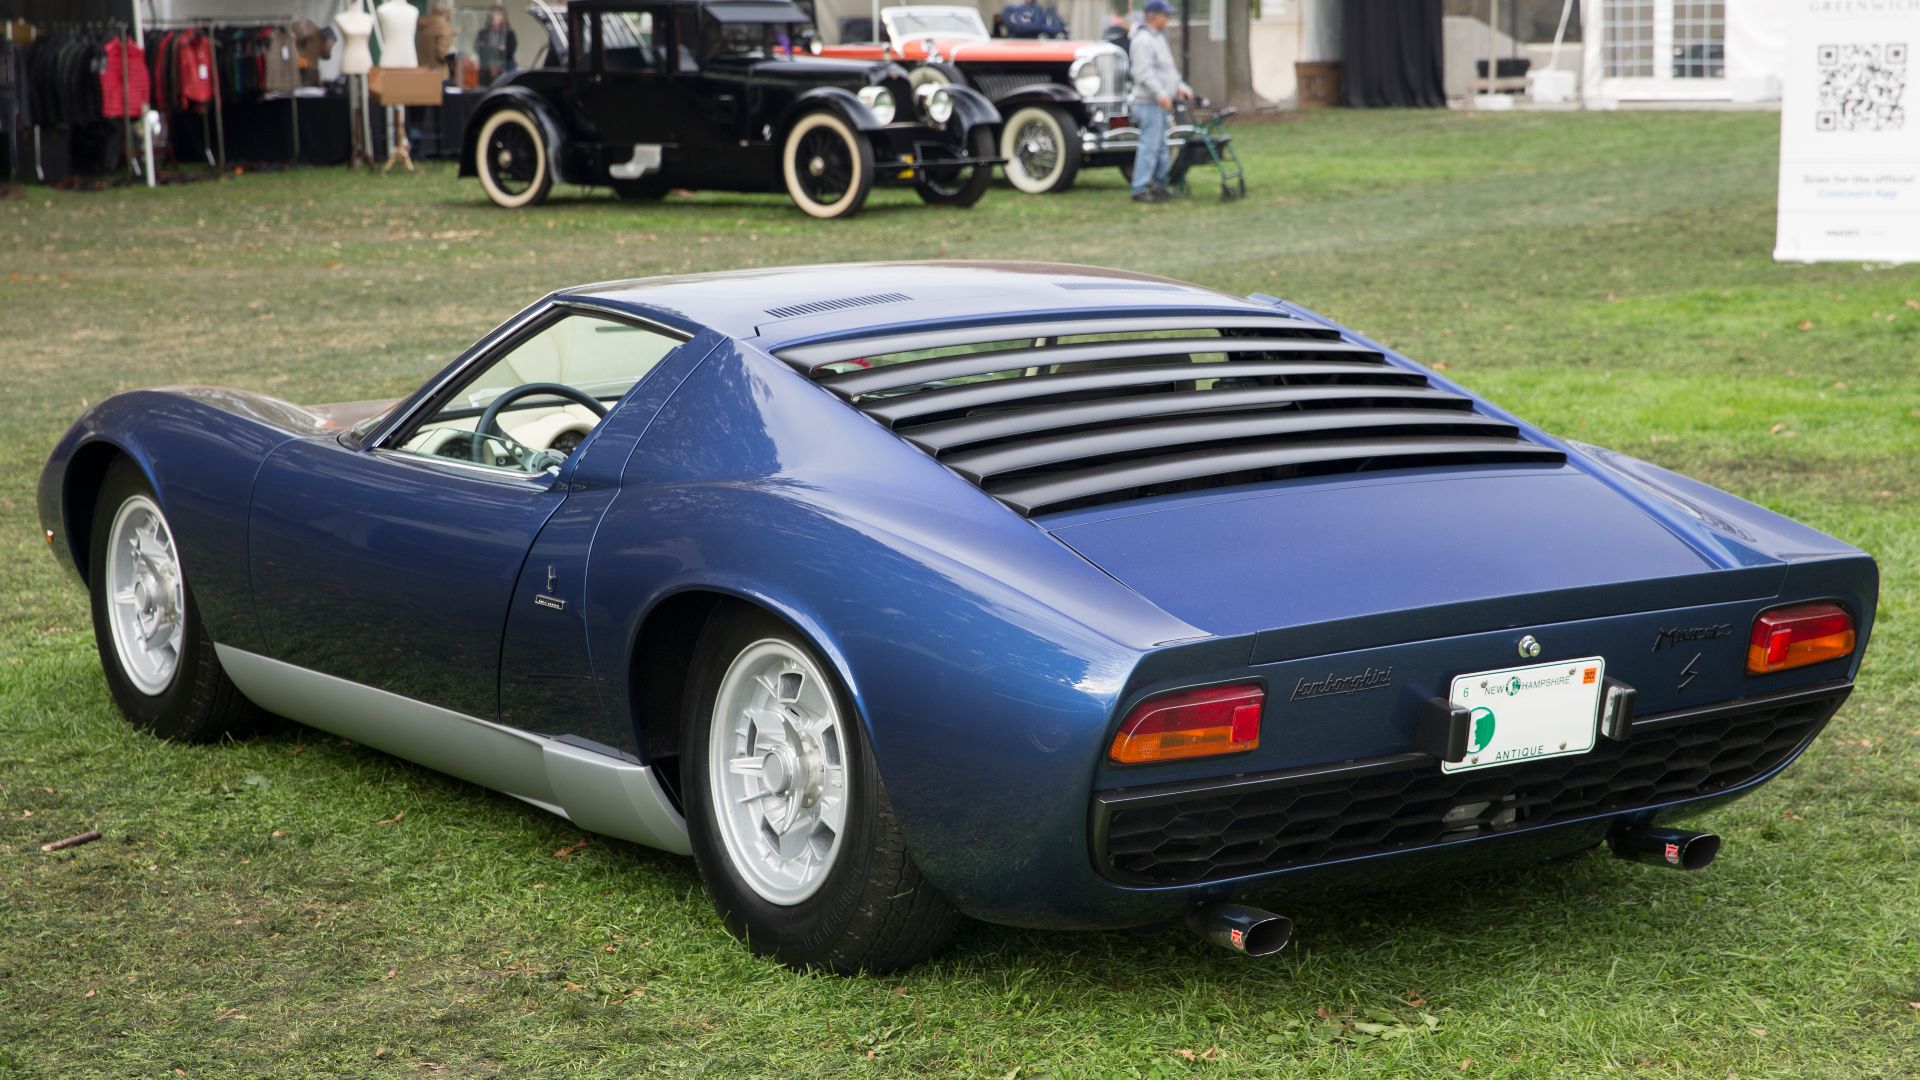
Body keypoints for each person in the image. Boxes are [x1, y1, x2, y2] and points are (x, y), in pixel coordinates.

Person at [1127, 0, 1192, 204]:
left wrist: (1181, 88)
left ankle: (1160, 185)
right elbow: (1144, 73)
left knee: (1161, 147)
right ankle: (1139, 188)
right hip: (1148, 103)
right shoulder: (1142, 40)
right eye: (1165, 15)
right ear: (1153, 15)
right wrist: (1161, 94)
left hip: (1160, 103)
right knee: (1149, 146)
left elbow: (1168, 70)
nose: (1168, 19)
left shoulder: (1158, 39)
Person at [474, 4, 518, 86]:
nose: (493, 16)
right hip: (486, 68)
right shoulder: (482, 33)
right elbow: (477, 48)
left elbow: (510, 50)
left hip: (504, 68)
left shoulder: (509, 33)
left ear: (503, 17)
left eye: (497, 14)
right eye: (491, 13)